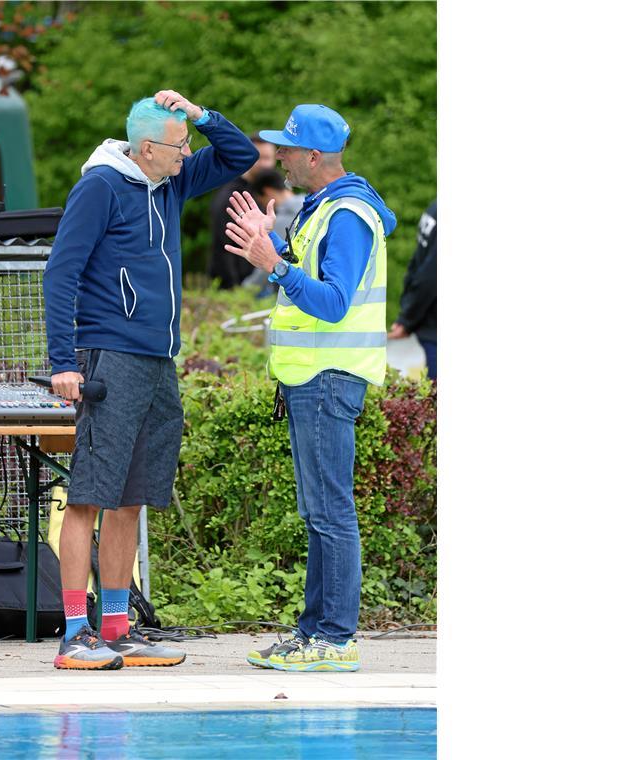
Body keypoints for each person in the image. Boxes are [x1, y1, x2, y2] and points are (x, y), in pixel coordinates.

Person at [43, 90, 258, 669]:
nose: (188, 154)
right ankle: (74, 634)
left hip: (158, 362)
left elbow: (238, 155)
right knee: (90, 495)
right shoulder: (100, 188)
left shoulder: (171, 182)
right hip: (108, 358)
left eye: (188, 144)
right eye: (179, 145)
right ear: (144, 149)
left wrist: (200, 114)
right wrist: (63, 361)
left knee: (132, 499)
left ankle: (116, 628)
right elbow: (61, 273)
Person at [223, 104, 397, 672]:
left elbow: (334, 302)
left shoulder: (346, 214)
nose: (280, 158)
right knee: (319, 511)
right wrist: (273, 245)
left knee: (330, 513)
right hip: (311, 379)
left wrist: (274, 264)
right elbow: (313, 283)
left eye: (288, 150)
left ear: (314, 156)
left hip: (326, 379)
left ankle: (336, 638)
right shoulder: (327, 209)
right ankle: (313, 631)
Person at [208, 135, 276, 288]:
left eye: (268, 158)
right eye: (260, 158)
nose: (265, 164)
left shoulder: (268, 192)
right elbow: (223, 247)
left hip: (261, 282)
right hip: (235, 286)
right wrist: (235, 289)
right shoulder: (232, 195)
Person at [388, 199, 437, 381]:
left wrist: (407, 317)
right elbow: (429, 276)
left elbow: (419, 268)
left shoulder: (435, 208)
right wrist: (407, 319)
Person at [240, 168, 304, 296]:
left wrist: (245, 290)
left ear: (267, 192)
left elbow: (269, 261)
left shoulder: (283, 219)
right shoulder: (309, 203)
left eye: (260, 200)